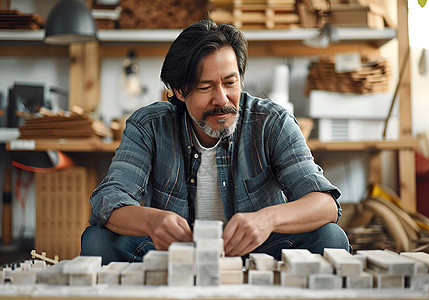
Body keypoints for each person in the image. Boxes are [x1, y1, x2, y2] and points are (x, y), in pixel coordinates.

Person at [80, 18, 350, 265]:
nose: (221, 99)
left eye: (230, 82)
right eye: (205, 87)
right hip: (172, 254)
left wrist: (267, 219)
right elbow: (107, 199)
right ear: (178, 91)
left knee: (331, 238)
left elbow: (325, 203)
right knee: (97, 240)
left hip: (259, 252)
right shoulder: (149, 125)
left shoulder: (272, 121)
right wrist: (153, 222)